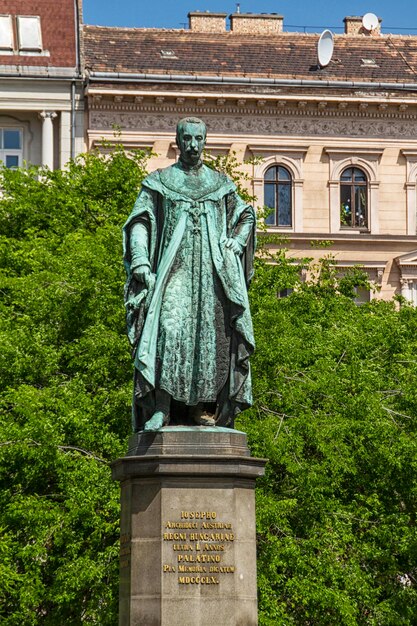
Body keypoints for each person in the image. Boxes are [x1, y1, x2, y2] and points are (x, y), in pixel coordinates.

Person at [123, 117, 255, 432]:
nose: (193, 145)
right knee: (168, 328)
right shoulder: (160, 181)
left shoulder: (221, 184)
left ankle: (202, 410)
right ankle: (163, 408)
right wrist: (140, 258)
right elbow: (140, 220)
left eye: (198, 139)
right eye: (187, 139)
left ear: (205, 141)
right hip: (174, 270)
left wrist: (236, 242)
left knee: (211, 339)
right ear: (178, 141)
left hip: (212, 274)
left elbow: (246, 214)